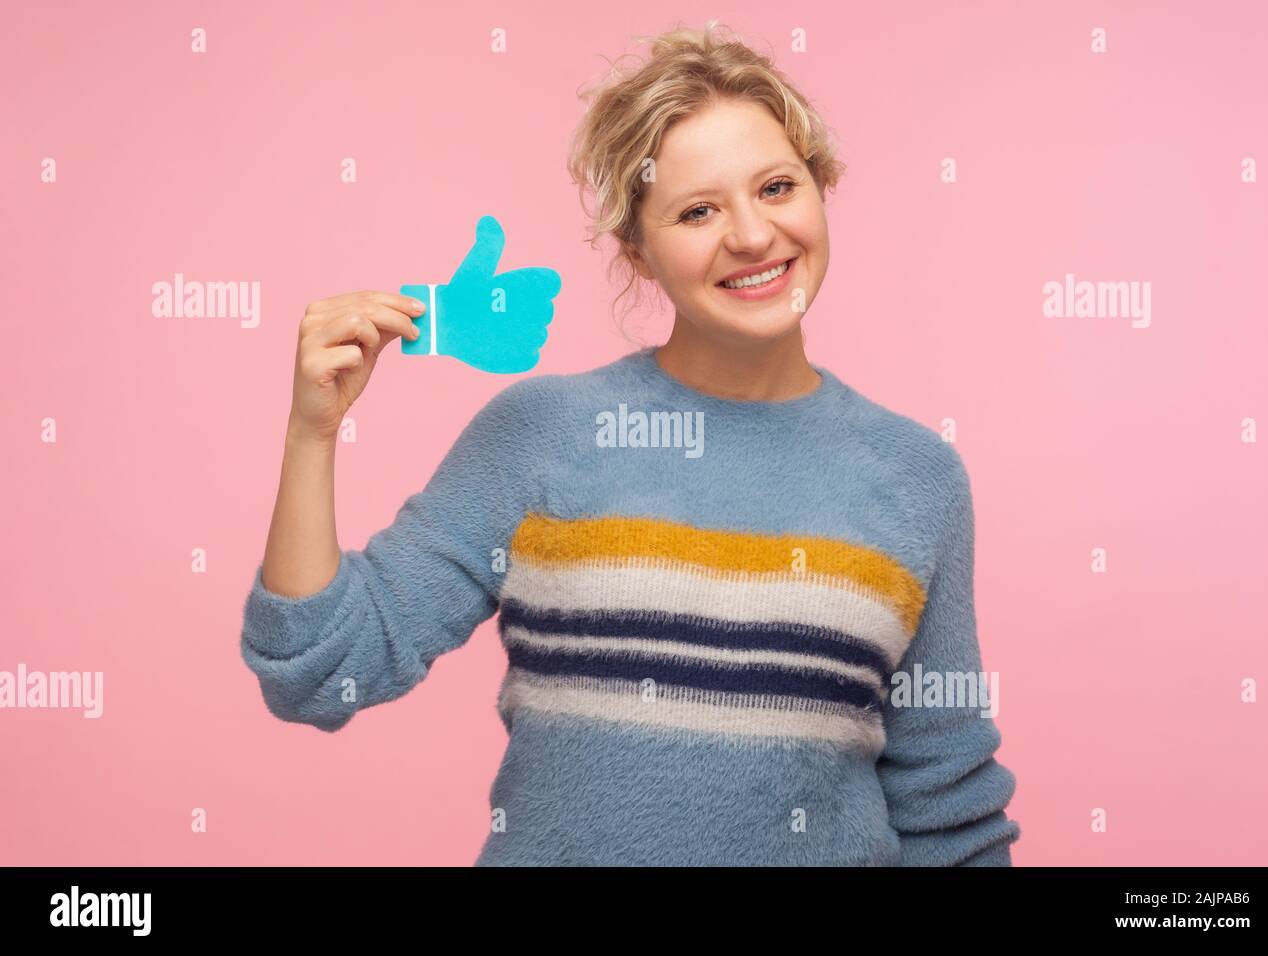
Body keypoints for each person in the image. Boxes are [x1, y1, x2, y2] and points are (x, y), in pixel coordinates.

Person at [240, 20, 1021, 866]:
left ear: (822, 188)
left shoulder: (918, 477)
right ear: (638, 251)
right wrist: (311, 432)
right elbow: (318, 672)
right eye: (696, 210)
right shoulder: (540, 435)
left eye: (776, 188)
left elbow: (948, 806)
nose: (753, 237)